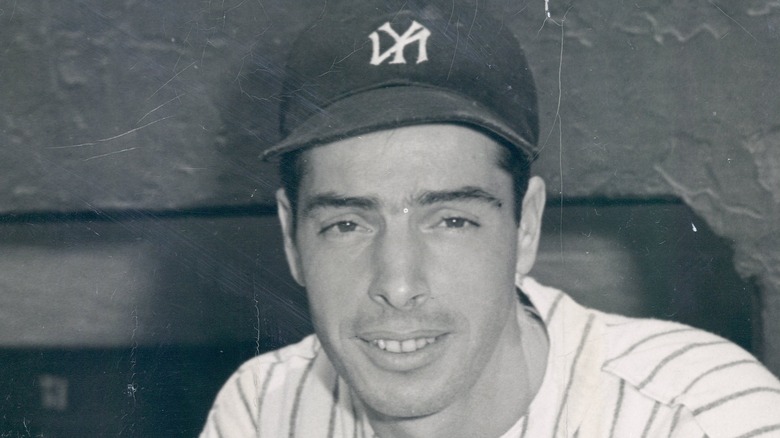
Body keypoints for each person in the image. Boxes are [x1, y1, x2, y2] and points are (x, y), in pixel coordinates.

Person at [201, 1, 780, 436]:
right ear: (291, 239)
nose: (398, 285)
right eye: (346, 224)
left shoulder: (702, 417)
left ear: (525, 227)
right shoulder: (261, 411)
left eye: (451, 220)